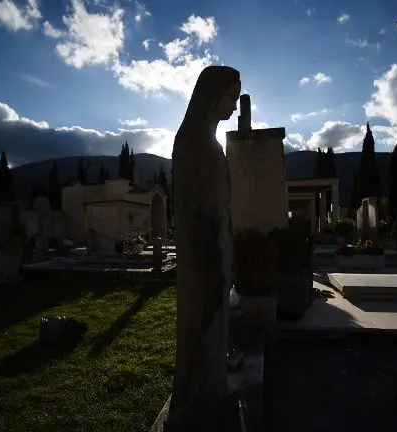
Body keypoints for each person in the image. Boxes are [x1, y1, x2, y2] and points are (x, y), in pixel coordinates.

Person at [167, 66, 241, 431]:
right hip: (203, 260)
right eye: (231, 97)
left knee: (214, 334)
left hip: (216, 254)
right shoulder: (194, 143)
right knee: (202, 331)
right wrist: (215, 261)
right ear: (212, 97)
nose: (235, 107)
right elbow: (197, 215)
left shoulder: (208, 142)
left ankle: (210, 396)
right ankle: (195, 406)